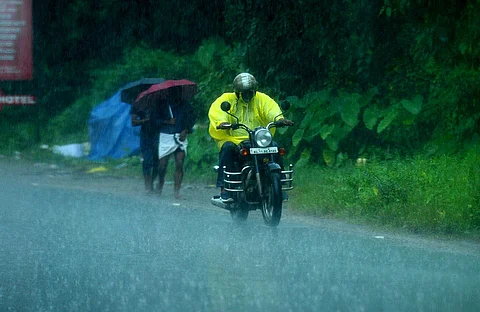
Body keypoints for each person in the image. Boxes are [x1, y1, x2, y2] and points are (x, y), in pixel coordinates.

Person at [208, 73, 293, 203]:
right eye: (243, 93)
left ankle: (279, 186)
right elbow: (218, 112)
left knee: (275, 147)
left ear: (255, 91)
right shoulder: (226, 99)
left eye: (250, 92)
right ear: (237, 92)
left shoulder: (261, 99)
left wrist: (279, 119)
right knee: (227, 149)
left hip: (258, 139)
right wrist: (222, 123)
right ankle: (225, 189)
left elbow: (271, 109)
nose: (247, 95)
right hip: (233, 139)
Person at [156, 86, 196, 199]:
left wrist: (186, 130)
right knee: (162, 165)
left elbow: (192, 119)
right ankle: (160, 184)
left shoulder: (186, 105)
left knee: (179, 163)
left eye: (178, 92)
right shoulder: (162, 105)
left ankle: (176, 191)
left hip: (180, 136)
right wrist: (167, 121)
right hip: (166, 136)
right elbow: (155, 120)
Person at [130, 106, 162, 194]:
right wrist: (145, 120)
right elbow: (133, 122)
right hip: (146, 136)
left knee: (157, 162)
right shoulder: (138, 105)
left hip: (157, 135)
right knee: (147, 160)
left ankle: (151, 182)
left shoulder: (159, 104)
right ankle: (148, 185)